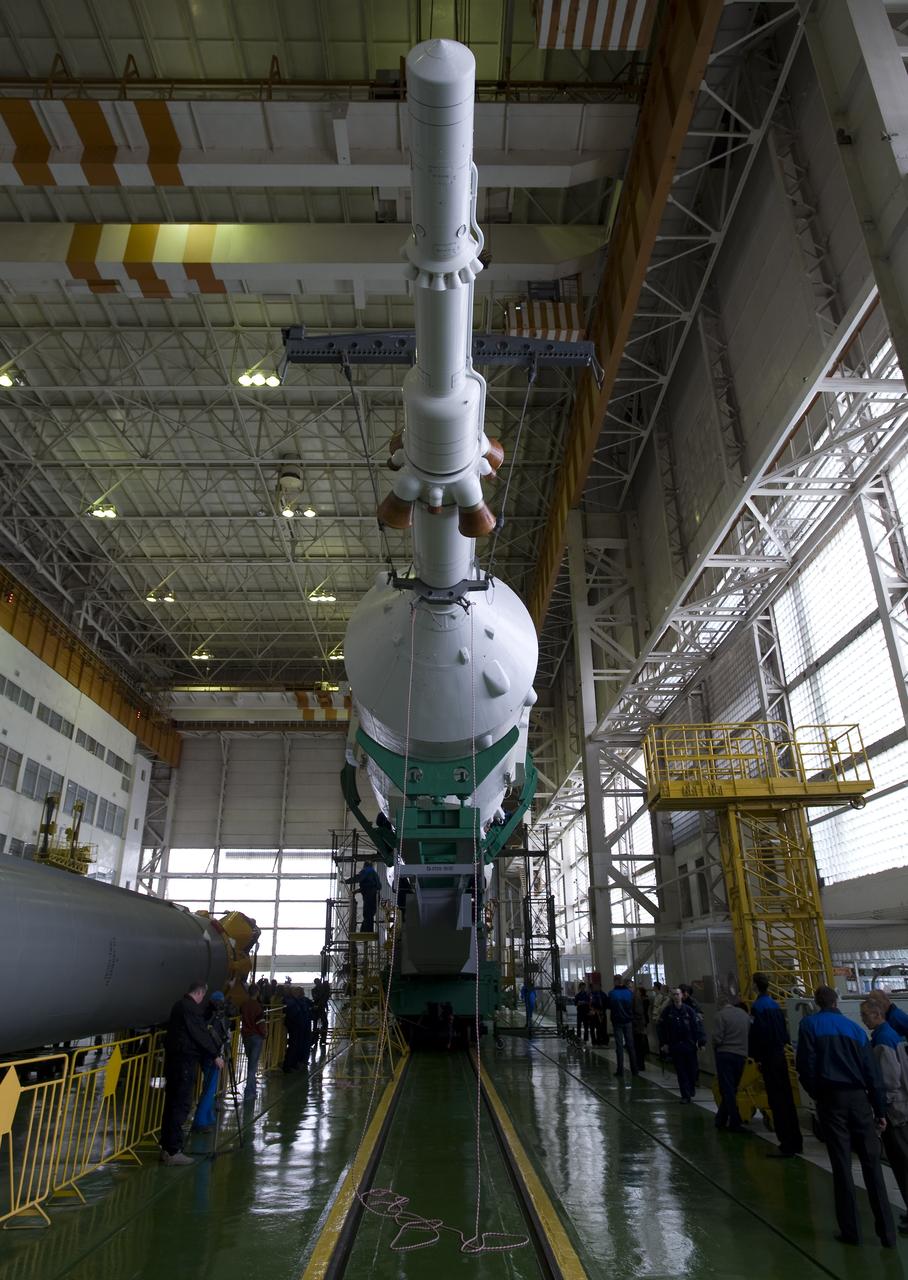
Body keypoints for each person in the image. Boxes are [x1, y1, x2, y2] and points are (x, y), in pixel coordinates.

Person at [796, 986, 895, 1248]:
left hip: (832, 1100)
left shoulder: (810, 1025)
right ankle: (887, 1233)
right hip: (859, 1101)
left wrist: (818, 1094)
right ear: (836, 1001)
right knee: (872, 1166)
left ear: (817, 1003)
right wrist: (880, 1110)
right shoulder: (855, 1030)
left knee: (841, 1166)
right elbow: (872, 1073)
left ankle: (851, 1231)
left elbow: (805, 1066)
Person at [160, 980, 224, 1166]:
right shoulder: (190, 1009)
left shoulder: (179, 1006)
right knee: (180, 1106)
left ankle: (167, 1147)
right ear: (200, 993)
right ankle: (173, 1150)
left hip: (175, 1062)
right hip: (184, 1064)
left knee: (171, 1105)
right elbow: (200, 1034)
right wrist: (215, 1054)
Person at [861, 998, 908, 1233]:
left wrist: (881, 1110)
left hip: (895, 1110)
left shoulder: (883, 1039)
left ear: (877, 1014)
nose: (863, 1019)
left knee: (902, 1161)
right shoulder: (890, 1034)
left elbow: (889, 1080)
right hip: (901, 1106)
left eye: (866, 1015)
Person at [749, 972, 803, 1158]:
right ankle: (796, 1140)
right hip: (780, 1055)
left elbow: (758, 1035)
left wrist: (757, 1057)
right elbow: (783, 1032)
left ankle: (787, 1144)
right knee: (787, 1099)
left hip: (769, 1058)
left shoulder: (758, 1007)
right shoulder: (774, 1005)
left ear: (755, 985)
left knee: (777, 1101)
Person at [658, 987, 705, 1101]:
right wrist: (664, 1043)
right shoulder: (668, 1012)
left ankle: (691, 1087)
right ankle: (685, 1094)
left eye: (677, 994)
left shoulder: (689, 1011)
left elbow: (697, 1027)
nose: (676, 996)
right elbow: (662, 1028)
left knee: (692, 1069)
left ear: (681, 996)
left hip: (689, 1045)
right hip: (676, 1045)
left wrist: (701, 1041)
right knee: (681, 1071)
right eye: (673, 994)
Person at [192, 990, 230, 1131]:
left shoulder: (203, 1013)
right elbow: (216, 1036)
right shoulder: (215, 1017)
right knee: (209, 1088)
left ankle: (208, 1116)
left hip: (206, 1054)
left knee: (209, 1087)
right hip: (212, 1055)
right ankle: (201, 1120)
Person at [712, 998, 750, 1132]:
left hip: (725, 1055)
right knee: (732, 1089)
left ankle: (735, 1121)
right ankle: (720, 1119)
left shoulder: (720, 1016)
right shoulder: (745, 1016)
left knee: (727, 1090)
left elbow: (717, 1038)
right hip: (741, 1056)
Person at [608, 975, 639, 1077]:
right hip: (628, 1021)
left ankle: (620, 1070)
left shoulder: (612, 994)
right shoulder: (629, 993)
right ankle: (634, 1070)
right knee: (631, 1046)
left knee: (619, 1046)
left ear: (615, 982)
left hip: (617, 1022)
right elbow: (633, 1007)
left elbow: (609, 1006)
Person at [240, 986, 266, 1100]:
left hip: (246, 1036)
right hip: (256, 1036)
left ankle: (252, 1088)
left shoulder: (244, 1005)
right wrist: (264, 1033)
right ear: (257, 993)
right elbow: (260, 1023)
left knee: (250, 1061)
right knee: (253, 1065)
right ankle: (250, 1092)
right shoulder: (258, 1006)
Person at [283, 987, 313, 1071]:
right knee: (294, 1046)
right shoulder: (293, 1002)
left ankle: (296, 1063)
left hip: (302, 1026)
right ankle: (289, 1065)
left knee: (299, 1045)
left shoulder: (300, 1001)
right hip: (296, 1026)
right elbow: (294, 1014)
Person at [347, 860, 381, 933]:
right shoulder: (373, 873)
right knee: (369, 914)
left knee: (367, 913)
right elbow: (370, 886)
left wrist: (347, 881)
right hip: (375, 896)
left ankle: (366, 931)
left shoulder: (367, 871)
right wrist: (356, 891)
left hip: (370, 895)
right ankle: (366, 931)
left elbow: (359, 878)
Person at [632, 980, 650, 1068]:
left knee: (638, 1044)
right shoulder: (637, 999)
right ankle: (639, 1063)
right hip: (639, 1025)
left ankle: (640, 1063)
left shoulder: (638, 1000)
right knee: (639, 1043)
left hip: (638, 1026)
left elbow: (639, 1013)